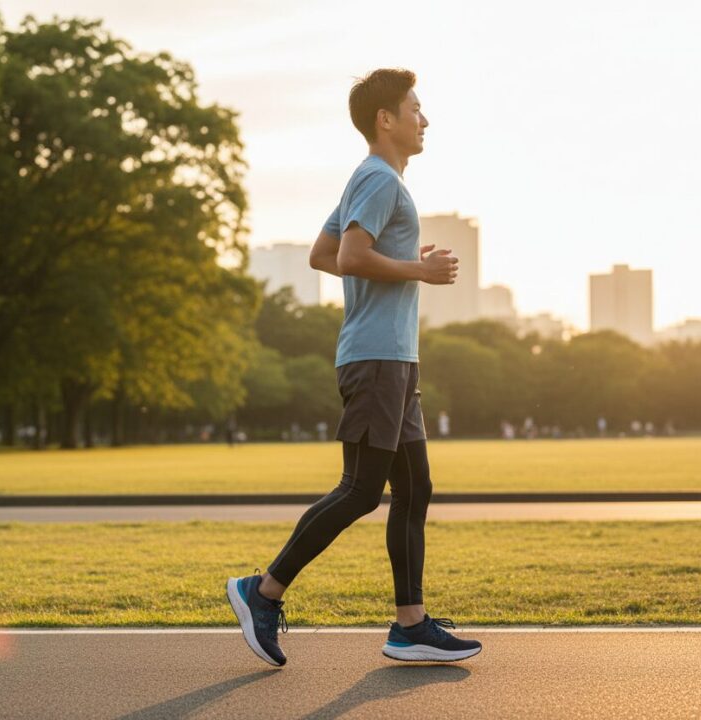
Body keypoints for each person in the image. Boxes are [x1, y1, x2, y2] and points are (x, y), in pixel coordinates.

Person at [226, 68, 481, 667]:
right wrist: (418, 270)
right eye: (415, 109)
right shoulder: (379, 179)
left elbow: (323, 254)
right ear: (385, 120)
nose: (424, 119)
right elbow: (346, 256)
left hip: (395, 360)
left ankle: (410, 626)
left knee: (414, 489)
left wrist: (400, 258)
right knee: (361, 490)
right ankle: (262, 591)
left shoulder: (372, 180)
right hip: (376, 359)